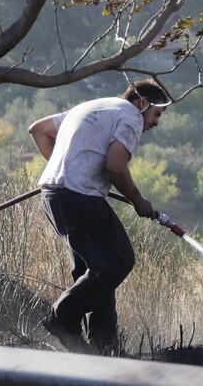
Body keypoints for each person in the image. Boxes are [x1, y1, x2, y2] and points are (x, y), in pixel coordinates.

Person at [28, 79, 170, 355]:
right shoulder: (130, 115)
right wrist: (138, 200)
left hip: (53, 196)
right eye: (156, 115)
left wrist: (66, 169)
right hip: (79, 197)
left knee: (94, 269)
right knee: (118, 260)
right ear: (143, 104)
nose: (155, 123)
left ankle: (103, 348)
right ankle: (62, 317)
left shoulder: (92, 107)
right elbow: (115, 166)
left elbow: (39, 130)